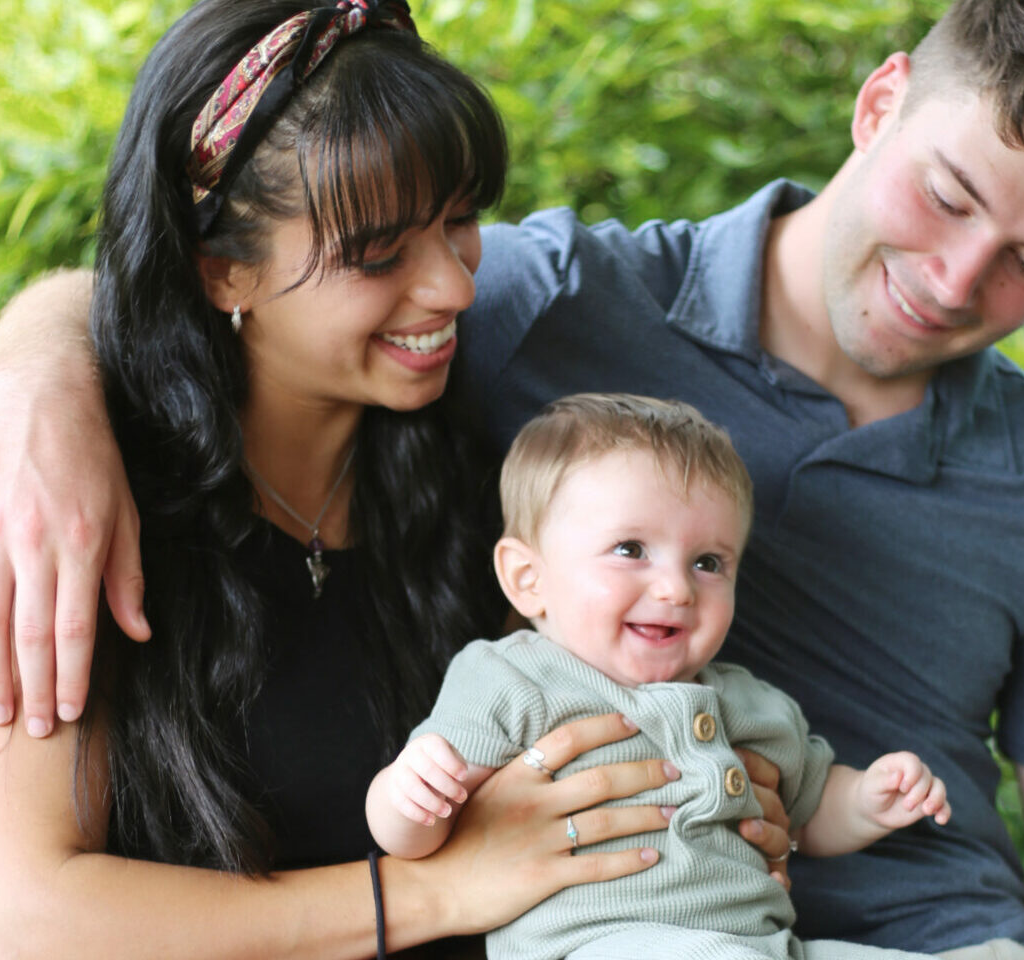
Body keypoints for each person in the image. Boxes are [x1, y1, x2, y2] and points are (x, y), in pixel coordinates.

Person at [0, 0, 1024, 956]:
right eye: (945, 197)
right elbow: (202, 277)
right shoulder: (554, 315)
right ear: (878, 104)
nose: (955, 279)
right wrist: (33, 391)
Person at [0, 3, 810, 957]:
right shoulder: (69, 510)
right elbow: (19, 928)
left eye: (463, 220)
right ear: (223, 271)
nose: (457, 287)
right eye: (380, 254)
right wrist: (432, 890)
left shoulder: (476, 475)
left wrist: (700, 807)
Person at [371, 393, 949, 960]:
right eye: (630, 549)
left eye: (708, 563)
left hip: (764, 943)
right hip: (595, 944)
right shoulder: (513, 678)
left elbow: (812, 810)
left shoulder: (751, 703)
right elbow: (411, 835)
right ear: (528, 578)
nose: (677, 589)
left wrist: (870, 800)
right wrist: (407, 793)